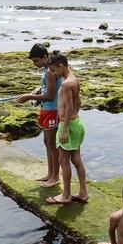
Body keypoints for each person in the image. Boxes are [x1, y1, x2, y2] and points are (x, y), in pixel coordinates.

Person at [45, 52, 88, 205]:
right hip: (77, 123)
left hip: (68, 125)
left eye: (53, 70)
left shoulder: (66, 84)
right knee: (76, 158)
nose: (52, 73)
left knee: (63, 160)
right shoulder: (74, 79)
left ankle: (66, 195)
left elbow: (69, 108)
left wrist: (64, 129)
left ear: (61, 66)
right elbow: (79, 102)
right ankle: (83, 193)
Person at [16, 44, 62, 188]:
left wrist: (29, 97)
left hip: (52, 110)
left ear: (45, 57)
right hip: (46, 109)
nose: (35, 64)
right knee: (47, 143)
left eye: (36, 61)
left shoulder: (50, 71)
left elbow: (49, 95)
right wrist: (37, 90)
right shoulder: (45, 70)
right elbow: (47, 88)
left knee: (52, 145)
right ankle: (50, 173)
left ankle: (55, 177)